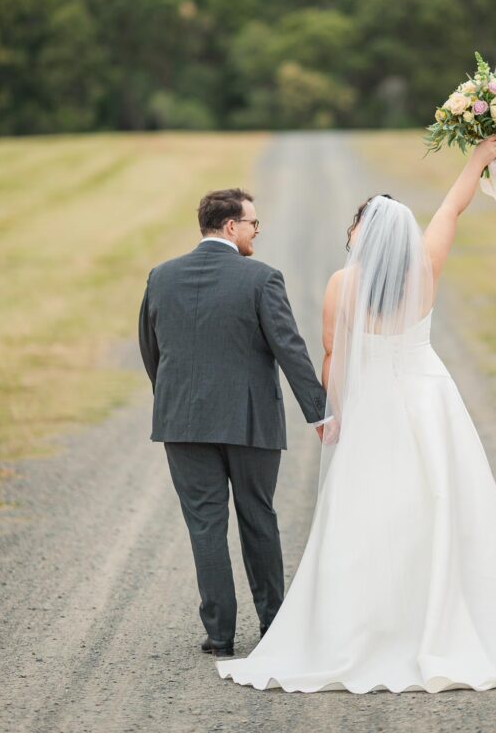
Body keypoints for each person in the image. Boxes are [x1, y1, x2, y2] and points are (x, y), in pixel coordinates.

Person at [217, 139, 496, 693]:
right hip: (430, 403)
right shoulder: (425, 268)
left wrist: (334, 415)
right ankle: (448, 616)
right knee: (444, 504)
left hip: (375, 409)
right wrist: (477, 159)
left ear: (361, 234)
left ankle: (369, 625)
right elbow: (450, 209)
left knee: (370, 513)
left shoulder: (341, 284)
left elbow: (333, 356)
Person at [138, 187, 328, 659]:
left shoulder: (161, 277)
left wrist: (175, 399)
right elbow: (290, 348)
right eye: (253, 224)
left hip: (182, 423)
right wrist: (321, 411)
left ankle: (220, 635)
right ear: (230, 227)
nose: (256, 232)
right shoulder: (261, 279)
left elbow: (151, 350)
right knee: (257, 519)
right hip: (249, 421)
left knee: (204, 526)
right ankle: (273, 626)